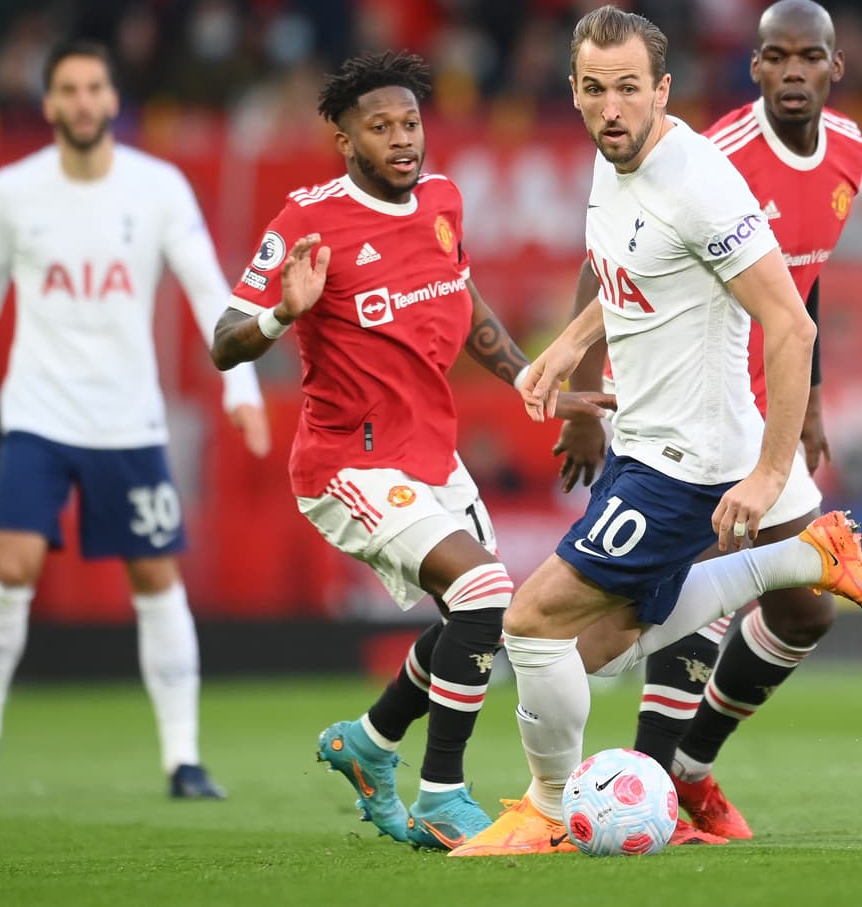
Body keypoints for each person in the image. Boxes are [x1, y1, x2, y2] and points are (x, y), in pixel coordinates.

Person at [448, 5, 862, 858]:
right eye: (593, 90)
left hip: (689, 463)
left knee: (531, 621)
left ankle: (545, 814)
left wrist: (764, 477)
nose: (610, 108)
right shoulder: (613, 164)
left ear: (662, 91)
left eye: (627, 90)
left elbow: (792, 326)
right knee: (597, 649)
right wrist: (564, 351)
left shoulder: (699, 179)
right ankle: (805, 558)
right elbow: (622, 280)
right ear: (573, 93)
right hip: (642, 442)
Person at [209, 50, 610, 851]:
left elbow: (460, 301)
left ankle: (368, 741)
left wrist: (535, 376)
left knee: (482, 613)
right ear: (345, 141)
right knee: (487, 587)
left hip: (431, 452)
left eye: (410, 123)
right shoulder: (305, 219)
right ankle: (442, 793)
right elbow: (223, 343)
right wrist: (283, 316)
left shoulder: (442, 200)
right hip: (346, 465)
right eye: (378, 126)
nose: (401, 139)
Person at [0, 38, 268, 802]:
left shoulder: (158, 187)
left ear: (113, 101)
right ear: (48, 104)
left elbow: (210, 290)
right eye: (67, 90)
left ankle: (184, 757)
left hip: (128, 421)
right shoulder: (14, 191)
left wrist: (241, 391)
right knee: (11, 567)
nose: (81, 102)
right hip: (37, 415)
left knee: (154, 575)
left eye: (93, 89)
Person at [555, 0, 862, 841]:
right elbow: (608, 264)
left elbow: (800, 285)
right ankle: (640, 781)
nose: (794, 71)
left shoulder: (849, 152)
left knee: (805, 607)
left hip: (769, 403)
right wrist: (584, 395)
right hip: (690, 407)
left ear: (835, 68)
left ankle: (686, 769)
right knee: (644, 610)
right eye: (777, 56)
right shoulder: (710, 156)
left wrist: (812, 401)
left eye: (811, 57)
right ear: (755, 66)